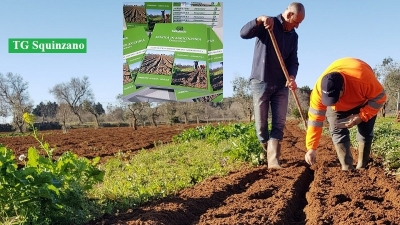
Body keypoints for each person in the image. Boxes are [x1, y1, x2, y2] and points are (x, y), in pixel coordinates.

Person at [240, 2, 305, 169]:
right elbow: (243, 34)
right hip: (261, 81)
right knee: (261, 125)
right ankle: (266, 151)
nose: (297, 26)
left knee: (279, 123)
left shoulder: (293, 37)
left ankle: (273, 160)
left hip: (282, 84)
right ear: (289, 14)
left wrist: (291, 76)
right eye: (296, 22)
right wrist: (260, 19)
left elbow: (293, 61)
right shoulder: (268, 24)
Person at [304, 57, 387, 170]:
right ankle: (347, 168)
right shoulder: (318, 91)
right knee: (337, 130)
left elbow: (380, 97)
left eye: (335, 98)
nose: (332, 102)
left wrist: (361, 116)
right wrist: (311, 148)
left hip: (363, 101)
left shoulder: (362, 79)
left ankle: (362, 166)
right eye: (329, 100)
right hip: (338, 110)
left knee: (365, 132)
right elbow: (315, 120)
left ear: (342, 87)